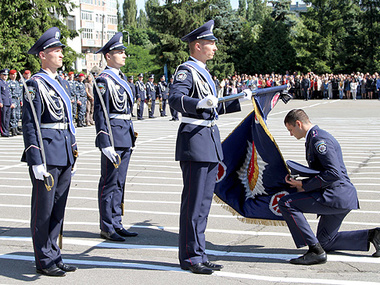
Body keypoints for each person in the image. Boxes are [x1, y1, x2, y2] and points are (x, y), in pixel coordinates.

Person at [168, 20, 250, 275]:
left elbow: (211, 107)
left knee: (203, 204)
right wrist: (197, 102)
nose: (215, 47)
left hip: (208, 141)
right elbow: (174, 98)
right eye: (211, 43)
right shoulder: (187, 70)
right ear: (197, 45)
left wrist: (238, 100)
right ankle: (191, 257)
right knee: (193, 204)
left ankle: (199, 253)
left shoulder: (203, 73)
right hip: (195, 141)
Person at [278, 109, 380, 265]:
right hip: (341, 196)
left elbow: (333, 173)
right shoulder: (315, 137)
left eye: (290, 130)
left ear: (298, 123)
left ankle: (314, 251)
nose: (291, 134)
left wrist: (304, 185)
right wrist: (299, 179)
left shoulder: (319, 140)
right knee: (326, 241)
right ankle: (374, 236)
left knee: (286, 203)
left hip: (335, 195)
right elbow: (323, 171)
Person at [21, 27, 78, 276]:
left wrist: (73, 150)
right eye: (56, 51)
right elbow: (30, 123)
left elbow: (67, 120)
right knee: (43, 210)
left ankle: (54, 252)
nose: (61, 55)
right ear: (43, 55)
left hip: (63, 150)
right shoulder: (35, 84)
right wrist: (35, 159)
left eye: (61, 51)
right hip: (46, 152)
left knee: (58, 208)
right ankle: (43, 258)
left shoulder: (61, 83)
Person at [94, 32, 138, 242]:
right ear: (109, 56)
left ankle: (117, 221)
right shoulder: (103, 80)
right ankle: (107, 225)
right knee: (109, 183)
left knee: (120, 182)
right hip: (113, 136)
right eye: (120, 52)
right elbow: (100, 113)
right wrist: (105, 143)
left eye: (123, 52)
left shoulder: (120, 79)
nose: (124, 56)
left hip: (125, 135)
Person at [8, 69, 22, 136]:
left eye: (15, 74)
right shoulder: (9, 83)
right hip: (13, 100)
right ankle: (13, 129)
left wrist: (21, 101)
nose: (14, 76)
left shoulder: (17, 83)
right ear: (10, 75)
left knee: (17, 115)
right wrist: (11, 102)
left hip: (17, 100)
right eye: (13, 75)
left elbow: (20, 92)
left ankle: (16, 128)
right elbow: (9, 93)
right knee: (13, 115)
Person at [0, 69, 14, 137]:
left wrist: (11, 102)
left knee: (7, 118)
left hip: (8, 102)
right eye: (4, 75)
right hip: (3, 103)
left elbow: (9, 94)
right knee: (3, 118)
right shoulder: (0, 83)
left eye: (6, 75)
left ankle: (7, 131)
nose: (5, 76)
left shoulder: (6, 83)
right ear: (1, 75)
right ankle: (3, 132)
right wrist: (0, 101)